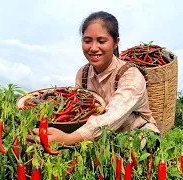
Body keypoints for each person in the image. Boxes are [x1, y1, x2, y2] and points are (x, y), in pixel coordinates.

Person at [26, 11, 160, 146]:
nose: (93, 48)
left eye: (102, 41)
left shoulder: (130, 75)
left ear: (115, 43)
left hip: (137, 134)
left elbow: (113, 116)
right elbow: (78, 112)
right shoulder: (83, 74)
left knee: (124, 152)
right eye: (87, 41)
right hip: (99, 137)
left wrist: (68, 139)